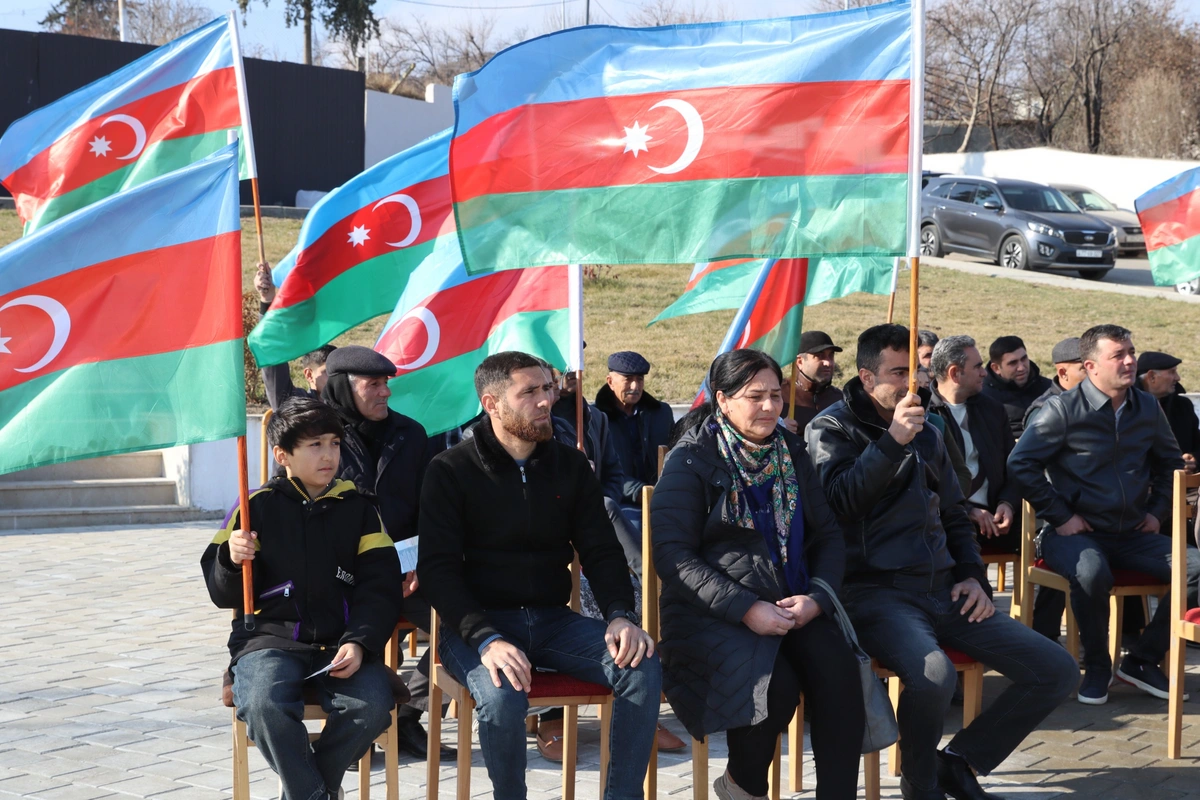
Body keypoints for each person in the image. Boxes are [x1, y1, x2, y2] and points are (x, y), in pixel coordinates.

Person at [807, 324, 1077, 800]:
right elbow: (841, 501)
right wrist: (890, 442)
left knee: (1054, 668)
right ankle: (920, 781)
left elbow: (953, 513)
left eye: (916, 370)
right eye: (897, 373)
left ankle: (958, 760)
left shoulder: (929, 429)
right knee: (934, 674)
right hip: (874, 594)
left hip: (945, 588)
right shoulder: (830, 428)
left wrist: (974, 577)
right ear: (867, 379)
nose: (913, 383)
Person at [418, 351, 661, 800]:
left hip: (551, 621)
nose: (545, 400)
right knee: (502, 696)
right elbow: (437, 572)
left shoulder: (570, 466)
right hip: (474, 628)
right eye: (528, 392)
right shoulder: (449, 470)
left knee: (641, 665)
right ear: (492, 404)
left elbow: (602, 552)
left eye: (546, 388)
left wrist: (620, 615)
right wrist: (486, 639)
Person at [652, 349, 864, 800]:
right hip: (713, 613)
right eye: (755, 397)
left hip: (792, 602)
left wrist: (818, 599)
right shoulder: (691, 462)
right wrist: (746, 608)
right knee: (773, 686)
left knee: (839, 673)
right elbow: (672, 557)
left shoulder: (790, 451)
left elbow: (827, 535)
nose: (770, 407)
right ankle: (742, 788)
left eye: (776, 395)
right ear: (723, 400)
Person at [201, 398, 404, 800]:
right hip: (268, 640)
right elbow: (221, 593)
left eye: (334, 443)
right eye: (315, 445)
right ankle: (316, 792)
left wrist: (359, 642)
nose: (329, 455)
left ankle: (304, 787)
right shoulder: (253, 506)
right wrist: (230, 557)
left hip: (341, 643)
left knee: (372, 706)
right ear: (283, 455)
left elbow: (380, 588)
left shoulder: (361, 510)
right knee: (262, 704)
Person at [1009, 325, 1200, 705]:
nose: (1130, 361)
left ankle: (1141, 660)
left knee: (1196, 567)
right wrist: (1061, 517)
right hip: (1072, 535)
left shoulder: (1146, 406)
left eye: (1131, 351)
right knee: (1092, 571)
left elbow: (1169, 464)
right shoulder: (1062, 409)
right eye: (1119, 355)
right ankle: (1097, 665)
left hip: (1133, 533)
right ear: (1091, 366)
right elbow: (1021, 464)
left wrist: (1156, 511)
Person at [319, 346, 451, 759]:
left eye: (386, 383)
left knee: (463, 622)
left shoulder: (410, 434)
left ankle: (407, 715)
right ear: (343, 388)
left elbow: (428, 509)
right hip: (337, 574)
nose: (385, 393)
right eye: (372, 384)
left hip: (404, 571)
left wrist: (418, 563)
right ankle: (353, 724)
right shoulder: (317, 435)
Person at [1020, 337, 1088, 641]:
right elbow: (1032, 472)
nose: (1092, 371)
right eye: (1083, 367)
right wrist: (1061, 514)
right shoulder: (1044, 410)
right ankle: (1044, 639)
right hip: (1055, 514)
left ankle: (1132, 638)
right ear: (1063, 373)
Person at [927, 336, 1020, 554]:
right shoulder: (924, 416)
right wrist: (968, 510)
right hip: (947, 524)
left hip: (1000, 524)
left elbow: (1015, 466)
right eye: (977, 366)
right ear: (955, 373)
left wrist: (1007, 503)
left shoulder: (993, 410)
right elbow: (927, 483)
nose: (984, 373)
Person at [594, 351, 675, 506]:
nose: (635, 386)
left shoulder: (661, 413)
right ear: (610, 382)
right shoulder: (596, 418)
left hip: (662, 498)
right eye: (628, 379)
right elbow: (602, 471)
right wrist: (639, 492)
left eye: (640, 379)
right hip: (617, 501)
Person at [254, 261, 336, 409]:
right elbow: (273, 356)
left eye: (338, 372)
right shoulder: (297, 406)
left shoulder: (354, 408)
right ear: (309, 375)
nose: (335, 379)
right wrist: (267, 300)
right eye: (327, 372)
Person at [1138, 351, 1199, 474]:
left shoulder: (1182, 406)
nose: (1178, 378)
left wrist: (1195, 459)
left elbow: (1197, 443)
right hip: (1138, 489)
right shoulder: (1126, 407)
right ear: (1152, 377)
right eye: (1172, 372)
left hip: (1183, 488)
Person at [982, 335, 1052, 441]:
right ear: (996, 368)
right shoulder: (983, 398)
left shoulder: (1049, 389)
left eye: (1024, 359)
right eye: (1012, 363)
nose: (1021, 367)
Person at [780, 331, 844, 433]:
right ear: (800, 362)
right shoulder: (778, 394)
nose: (828, 362)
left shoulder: (840, 399)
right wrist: (779, 428)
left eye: (831, 356)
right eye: (819, 356)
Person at [1021, 337, 1088, 433]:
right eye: (1084, 368)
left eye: (1094, 365)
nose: (1094, 372)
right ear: (1063, 373)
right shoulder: (1045, 412)